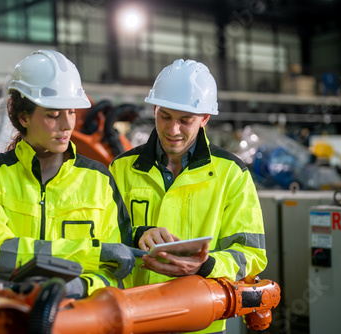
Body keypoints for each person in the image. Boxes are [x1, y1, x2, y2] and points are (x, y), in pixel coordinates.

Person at [0, 50, 143, 299]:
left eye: (71, 112)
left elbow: (118, 270)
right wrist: (92, 252)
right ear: (24, 117)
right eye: (53, 115)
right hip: (14, 316)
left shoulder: (99, 180)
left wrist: (79, 287)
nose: (67, 124)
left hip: (81, 321)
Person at [109, 59, 267, 333]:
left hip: (199, 323)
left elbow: (250, 254)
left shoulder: (231, 174)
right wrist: (137, 235)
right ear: (155, 109)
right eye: (165, 116)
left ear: (205, 118)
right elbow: (100, 238)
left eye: (186, 121)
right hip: (134, 317)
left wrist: (207, 265)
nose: (173, 130)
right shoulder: (121, 168)